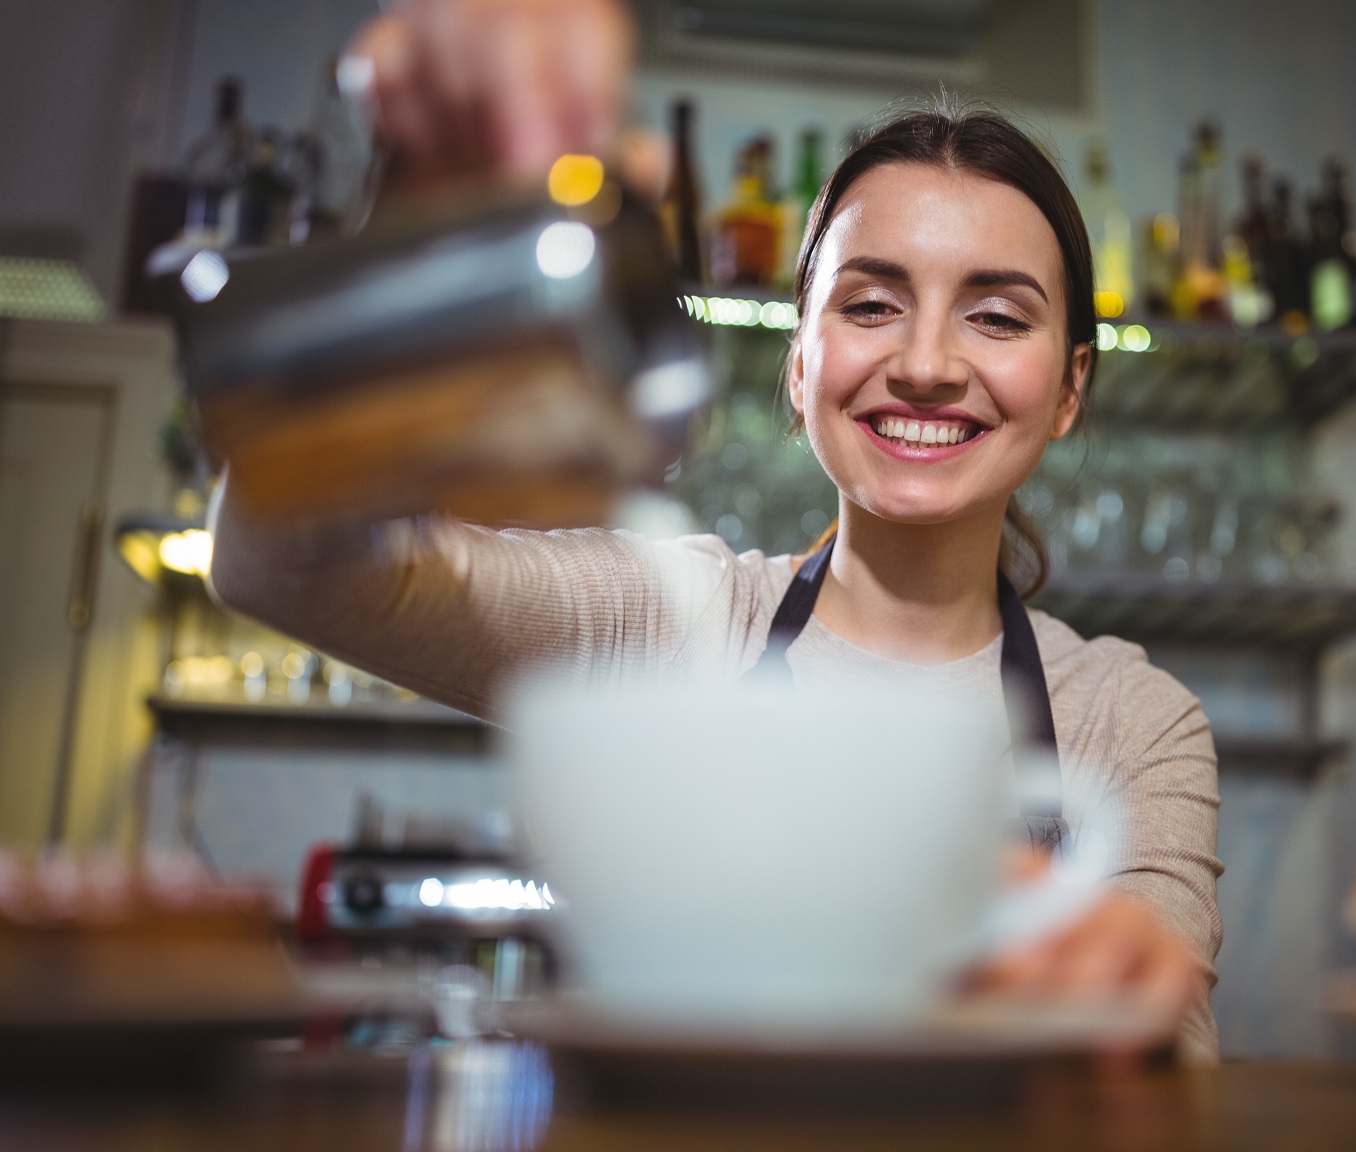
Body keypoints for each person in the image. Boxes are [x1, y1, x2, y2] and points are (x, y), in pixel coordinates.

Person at [208, 0, 1223, 1062]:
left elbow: (1166, 1055)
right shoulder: (669, 624)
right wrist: (411, 253)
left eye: (998, 315)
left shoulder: (1132, 721)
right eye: (870, 305)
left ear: (1069, 390)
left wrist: (1104, 986)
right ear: (799, 363)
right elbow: (283, 567)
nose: (926, 362)